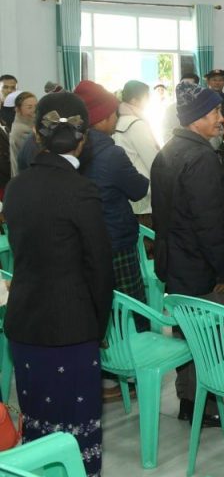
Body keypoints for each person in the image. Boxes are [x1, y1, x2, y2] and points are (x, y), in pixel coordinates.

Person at [3, 92, 113, 477]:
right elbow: (100, 270)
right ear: (84, 139)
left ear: (37, 135)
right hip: (70, 329)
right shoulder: (81, 190)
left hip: (25, 324)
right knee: (74, 432)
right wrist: (98, 327)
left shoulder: (16, 188)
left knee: (39, 425)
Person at [150, 81, 224, 426]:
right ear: (196, 118)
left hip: (178, 263)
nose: (221, 118)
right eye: (214, 112)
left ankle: (189, 400)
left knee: (187, 335)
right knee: (212, 338)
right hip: (202, 268)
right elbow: (211, 225)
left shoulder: (168, 151)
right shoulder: (201, 157)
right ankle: (209, 404)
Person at [75, 80, 150, 310]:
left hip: (84, 241)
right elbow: (138, 190)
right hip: (116, 239)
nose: (117, 119)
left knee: (99, 305)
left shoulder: (72, 149)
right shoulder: (111, 154)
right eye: (113, 114)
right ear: (102, 118)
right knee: (131, 308)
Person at [114, 80, 161, 225]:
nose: (149, 101)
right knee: (148, 235)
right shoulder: (136, 124)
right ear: (134, 100)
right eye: (146, 97)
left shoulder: (118, 120)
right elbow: (154, 162)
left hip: (127, 191)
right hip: (144, 195)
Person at [8, 91, 36, 178]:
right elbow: (34, 156)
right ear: (18, 110)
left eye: (36, 106)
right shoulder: (21, 130)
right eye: (29, 107)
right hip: (25, 178)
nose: (34, 110)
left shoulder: (30, 125)